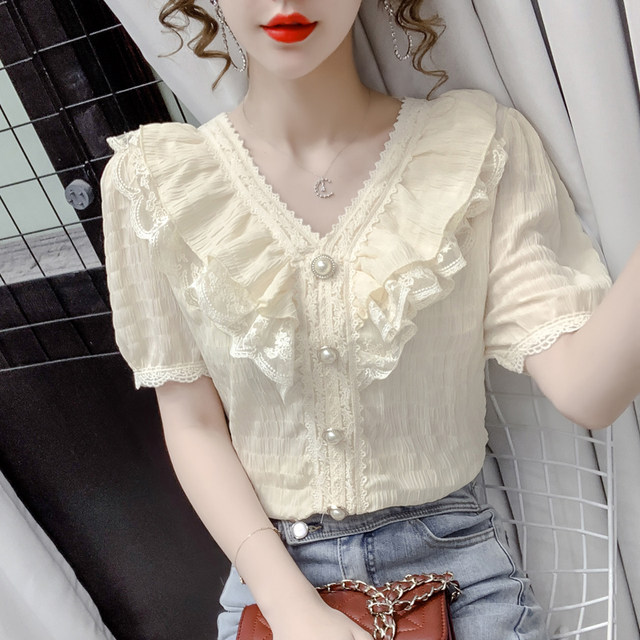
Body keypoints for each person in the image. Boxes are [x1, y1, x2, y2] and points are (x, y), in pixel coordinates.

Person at [100, 1, 640, 639]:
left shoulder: (474, 148)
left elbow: (588, 390)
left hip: (458, 580)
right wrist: (294, 611)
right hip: (275, 585)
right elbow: (192, 422)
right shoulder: (156, 183)